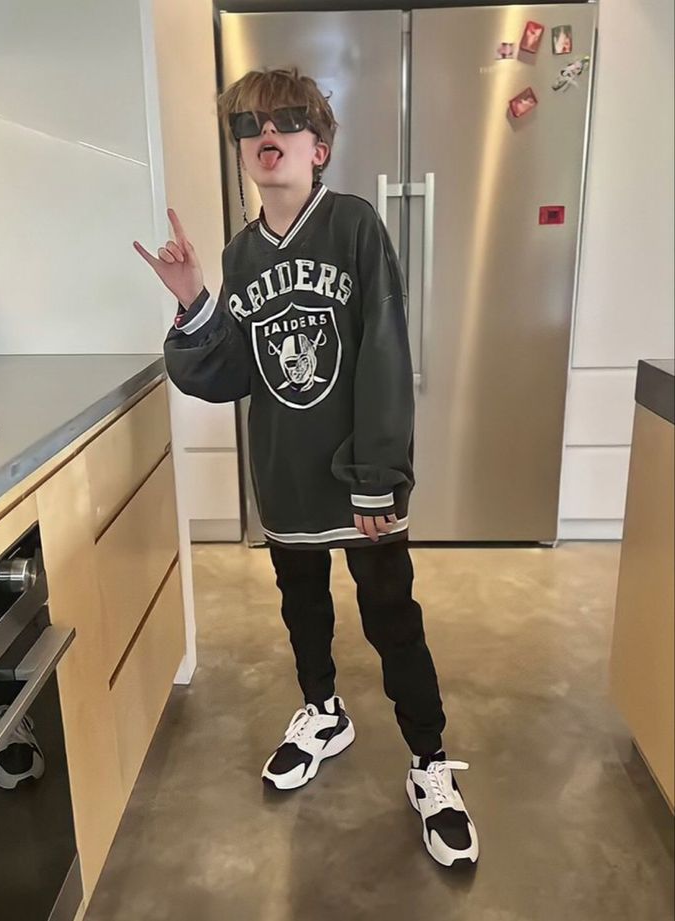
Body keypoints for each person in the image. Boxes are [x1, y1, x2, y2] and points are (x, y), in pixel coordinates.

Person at [134, 67, 479, 869]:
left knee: (392, 615)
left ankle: (429, 761)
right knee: (301, 604)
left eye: (285, 120)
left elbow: (383, 359)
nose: (266, 133)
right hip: (287, 476)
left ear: (317, 147)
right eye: (248, 125)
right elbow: (228, 371)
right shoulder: (241, 251)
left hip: (357, 477)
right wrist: (193, 300)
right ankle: (323, 710)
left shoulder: (355, 227)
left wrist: (376, 475)